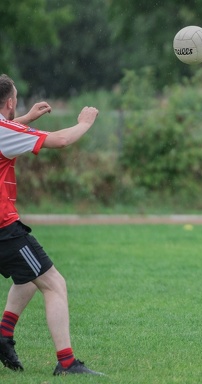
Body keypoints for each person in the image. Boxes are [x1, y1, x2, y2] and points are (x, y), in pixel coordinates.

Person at [0, 74, 103, 376]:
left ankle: (4, 336)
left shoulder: (6, 128)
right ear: (9, 101)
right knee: (54, 284)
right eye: (16, 99)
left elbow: (7, 128)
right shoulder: (5, 131)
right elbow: (60, 140)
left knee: (28, 278)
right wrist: (85, 122)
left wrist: (26, 118)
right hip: (4, 229)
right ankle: (67, 363)